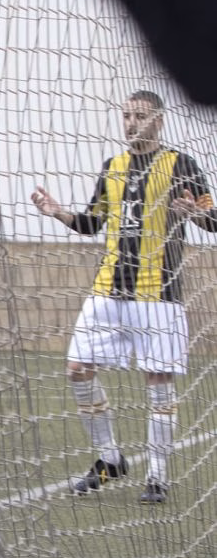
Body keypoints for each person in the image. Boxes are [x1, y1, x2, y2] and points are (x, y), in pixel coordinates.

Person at [30, 90, 217, 504]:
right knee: (78, 368)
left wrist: (193, 214)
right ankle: (109, 458)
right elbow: (92, 222)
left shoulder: (181, 164)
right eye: (127, 115)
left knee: (158, 382)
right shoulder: (112, 167)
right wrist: (58, 211)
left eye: (141, 116)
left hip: (159, 294)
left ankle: (157, 475)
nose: (132, 123)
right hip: (108, 291)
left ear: (159, 121)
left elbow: (213, 219)